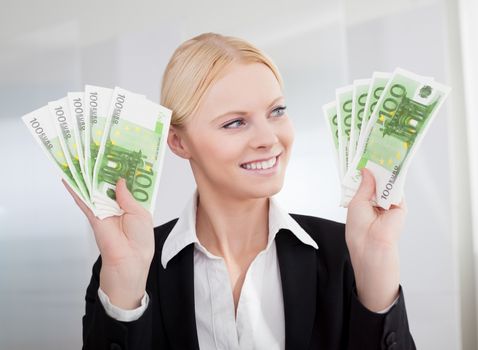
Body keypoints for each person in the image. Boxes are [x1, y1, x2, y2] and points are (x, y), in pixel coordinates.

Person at [64, 32, 416, 349]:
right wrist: (125, 283)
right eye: (235, 122)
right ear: (178, 141)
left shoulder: (344, 254)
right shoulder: (131, 266)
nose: (268, 139)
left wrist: (377, 268)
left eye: (277, 111)